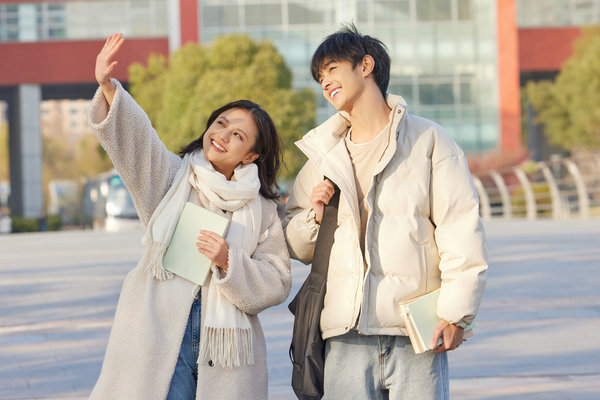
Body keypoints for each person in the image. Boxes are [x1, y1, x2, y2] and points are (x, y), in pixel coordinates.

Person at [283, 24, 488, 399]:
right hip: (344, 336)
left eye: (332, 69)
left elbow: (460, 229)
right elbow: (296, 246)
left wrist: (457, 313)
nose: (325, 82)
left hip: (415, 333)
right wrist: (313, 215)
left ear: (365, 65)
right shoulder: (323, 156)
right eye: (320, 76)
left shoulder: (429, 140)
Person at [88, 34, 292, 400]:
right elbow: (138, 140)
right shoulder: (171, 178)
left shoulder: (262, 211)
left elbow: (277, 280)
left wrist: (229, 260)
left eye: (237, 135)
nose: (222, 135)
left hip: (228, 356)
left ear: (250, 157)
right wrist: (108, 88)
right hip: (161, 338)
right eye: (220, 123)